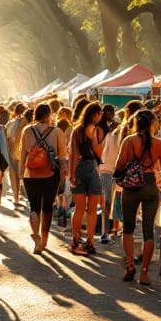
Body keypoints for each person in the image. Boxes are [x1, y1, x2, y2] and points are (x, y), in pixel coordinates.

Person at [116, 109, 161, 285]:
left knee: (128, 228)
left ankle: (130, 264)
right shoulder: (160, 144)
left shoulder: (129, 141)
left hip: (131, 186)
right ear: (153, 124)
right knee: (149, 230)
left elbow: (119, 164)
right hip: (150, 185)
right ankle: (144, 273)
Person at [21, 103, 65, 253]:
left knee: (34, 207)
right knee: (47, 208)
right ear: (48, 115)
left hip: (30, 174)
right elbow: (63, 156)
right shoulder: (57, 132)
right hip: (50, 174)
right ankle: (44, 240)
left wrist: (22, 174)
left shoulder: (27, 130)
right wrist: (65, 173)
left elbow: (23, 155)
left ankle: (36, 238)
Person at [68, 103, 105, 255]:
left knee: (79, 209)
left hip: (78, 168)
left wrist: (71, 173)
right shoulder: (95, 130)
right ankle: (90, 241)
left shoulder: (76, 130)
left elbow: (73, 154)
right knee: (92, 209)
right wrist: (97, 141)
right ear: (95, 114)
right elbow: (98, 152)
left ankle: (75, 240)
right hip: (92, 168)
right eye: (100, 114)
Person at [4, 103, 27, 208]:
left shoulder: (10, 123)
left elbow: (7, 138)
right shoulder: (29, 123)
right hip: (25, 153)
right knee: (23, 175)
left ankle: (16, 197)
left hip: (13, 152)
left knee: (13, 175)